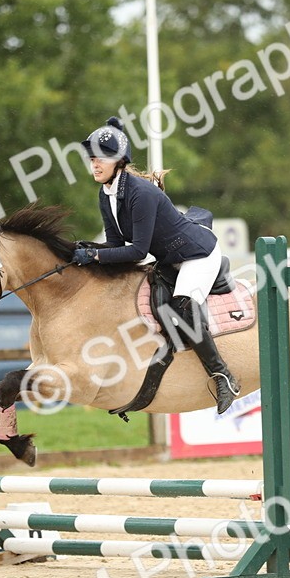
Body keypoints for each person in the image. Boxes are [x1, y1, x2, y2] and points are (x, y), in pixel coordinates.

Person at [71, 116, 241, 414]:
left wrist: (95, 257)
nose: (94, 164)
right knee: (160, 306)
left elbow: (136, 252)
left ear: (119, 161)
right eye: (92, 158)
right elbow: (115, 244)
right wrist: (87, 247)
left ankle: (224, 375)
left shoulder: (141, 194)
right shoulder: (106, 193)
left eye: (102, 158)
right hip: (168, 258)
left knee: (184, 305)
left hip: (197, 254)